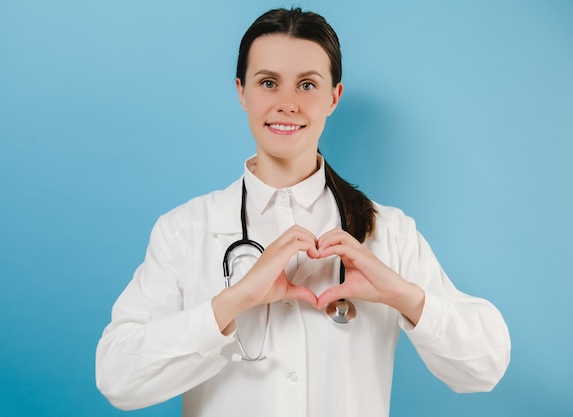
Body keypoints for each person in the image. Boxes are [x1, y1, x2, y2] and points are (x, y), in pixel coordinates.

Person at [95, 7, 510, 417]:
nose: (287, 103)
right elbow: (118, 378)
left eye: (307, 85)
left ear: (334, 96)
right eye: (269, 82)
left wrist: (402, 296)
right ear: (241, 91)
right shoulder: (184, 230)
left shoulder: (389, 233)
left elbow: (485, 367)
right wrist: (234, 301)